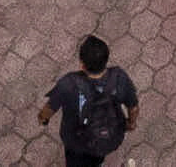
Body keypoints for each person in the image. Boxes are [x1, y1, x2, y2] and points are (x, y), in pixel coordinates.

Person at [41, 35, 140, 167]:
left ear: (82, 65)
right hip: (108, 137)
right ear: (106, 61)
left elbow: (48, 110)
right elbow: (133, 107)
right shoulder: (119, 78)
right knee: (97, 156)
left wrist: (43, 119)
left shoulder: (68, 83)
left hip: (76, 142)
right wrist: (131, 123)